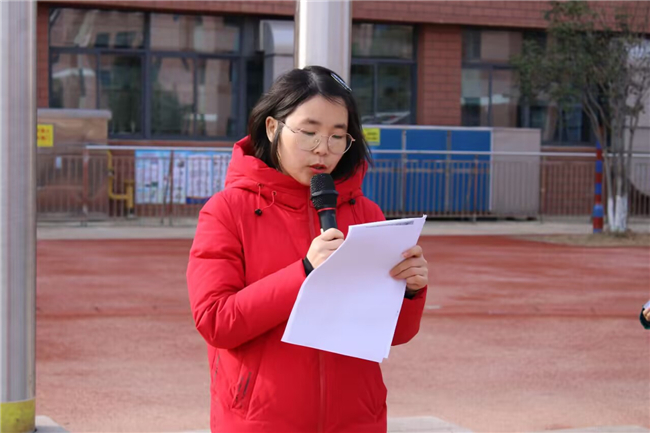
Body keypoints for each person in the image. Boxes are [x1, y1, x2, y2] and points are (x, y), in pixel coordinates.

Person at [186, 65, 428, 433]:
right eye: (309, 132)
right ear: (273, 128)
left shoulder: (366, 212)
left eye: (337, 136)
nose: (322, 149)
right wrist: (304, 272)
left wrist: (409, 291)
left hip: (357, 419)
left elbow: (394, 334)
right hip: (261, 422)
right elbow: (216, 322)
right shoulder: (227, 210)